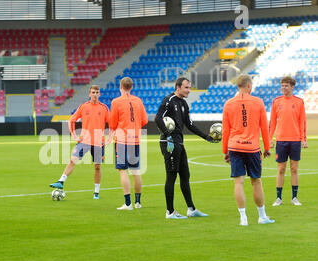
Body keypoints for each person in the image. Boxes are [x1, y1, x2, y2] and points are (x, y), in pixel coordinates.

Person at [155, 77, 216, 220]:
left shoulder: (183, 104)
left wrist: (206, 137)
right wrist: (168, 134)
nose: (189, 90)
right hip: (169, 143)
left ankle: (191, 209)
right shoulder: (168, 100)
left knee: (185, 176)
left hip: (179, 143)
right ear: (178, 87)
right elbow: (158, 119)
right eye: (187, 87)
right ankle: (170, 212)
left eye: (189, 87)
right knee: (171, 176)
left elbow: (189, 124)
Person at [222, 75, 273, 226]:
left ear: (238, 86)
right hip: (252, 147)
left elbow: (225, 130)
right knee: (256, 181)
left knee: (238, 183)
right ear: (249, 85)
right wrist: (267, 147)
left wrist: (225, 150)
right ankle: (262, 216)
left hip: (235, 146)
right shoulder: (258, 102)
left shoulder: (229, 104)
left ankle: (243, 218)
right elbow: (264, 127)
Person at [49, 85, 110, 199]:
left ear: (99, 94)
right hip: (84, 141)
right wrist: (74, 135)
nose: (95, 94)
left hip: (98, 142)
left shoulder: (104, 108)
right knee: (73, 160)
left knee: (97, 167)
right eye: (93, 92)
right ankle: (61, 181)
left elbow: (112, 124)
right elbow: (71, 120)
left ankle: (96, 192)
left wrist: (109, 139)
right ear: (89, 94)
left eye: (97, 92)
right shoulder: (83, 107)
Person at [109, 77, 148, 210]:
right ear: (131, 87)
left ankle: (128, 204)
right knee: (136, 171)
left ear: (121, 86)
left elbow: (112, 123)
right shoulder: (138, 100)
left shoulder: (116, 102)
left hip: (122, 140)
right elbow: (144, 120)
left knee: (123, 171)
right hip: (135, 139)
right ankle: (138, 202)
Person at [269, 76, 307, 206]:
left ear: (292, 87)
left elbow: (302, 122)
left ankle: (294, 198)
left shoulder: (299, 102)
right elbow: (272, 122)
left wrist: (304, 139)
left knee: (294, 168)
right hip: (281, 141)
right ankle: (278, 198)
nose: (283, 88)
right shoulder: (276, 101)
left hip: (295, 140)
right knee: (281, 169)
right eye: (282, 85)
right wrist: (270, 139)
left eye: (286, 86)